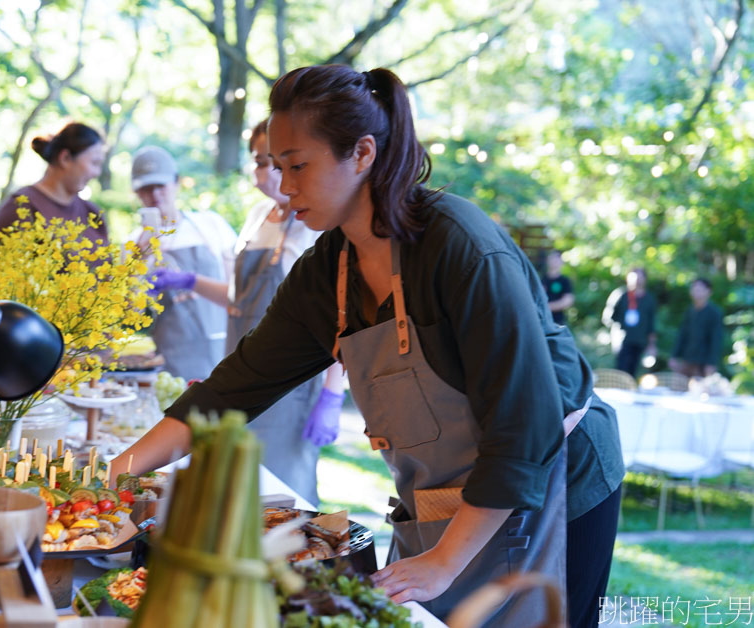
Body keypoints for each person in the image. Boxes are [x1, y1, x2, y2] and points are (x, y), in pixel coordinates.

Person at [109, 65, 624, 627]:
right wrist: (119, 473)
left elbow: (525, 427)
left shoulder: (461, 249)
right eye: (278, 167)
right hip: (447, 493)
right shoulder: (328, 270)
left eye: (298, 166)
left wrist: (445, 562)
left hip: (557, 474)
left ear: (362, 152)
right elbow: (237, 385)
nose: (285, 187)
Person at [151, 119, 344, 504]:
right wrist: (189, 282)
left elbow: (338, 315)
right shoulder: (258, 216)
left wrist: (333, 395)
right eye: (260, 161)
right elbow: (239, 300)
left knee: (283, 497)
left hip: (291, 386)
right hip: (242, 371)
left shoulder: (317, 226)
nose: (267, 174)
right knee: (235, 492)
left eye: (280, 163)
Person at [130, 145, 238, 382]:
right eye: (146, 188)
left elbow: (238, 296)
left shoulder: (211, 226)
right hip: (169, 362)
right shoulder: (133, 243)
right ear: (136, 193)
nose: (155, 194)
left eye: (161, 185)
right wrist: (138, 261)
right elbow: (131, 316)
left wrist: (189, 281)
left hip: (222, 350)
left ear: (177, 183)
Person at [0, 122, 107, 248]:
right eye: (94, 163)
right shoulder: (21, 208)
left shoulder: (92, 213)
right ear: (65, 158)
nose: (97, 173)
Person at [669, 278, 723, 378]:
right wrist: (674, 356)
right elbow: (682, 335)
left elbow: (716, 339)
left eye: (700, 289)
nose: (696, 291)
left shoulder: (714, 313)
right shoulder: (689, 311)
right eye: (694, 288)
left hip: (703, 363)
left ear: (708, 291)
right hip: (687, 359)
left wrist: (712, 363)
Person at [609, 268, 657, 376]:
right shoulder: (621, 295)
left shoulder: (649, 299)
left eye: (640, 277)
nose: (637, 280)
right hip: (622, 340)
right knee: (621, 369)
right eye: (634, 277)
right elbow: (609, 317)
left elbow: (651, 324)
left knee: (634, 371)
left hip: (639, 341)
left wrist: (652, 345)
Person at [541, 249, 574, 326]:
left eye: (557, 258)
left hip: (557, 321)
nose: (554, 261)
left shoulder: (564, 280)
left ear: (561, 262)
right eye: (552, 258)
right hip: (541, 320)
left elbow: (568, 300)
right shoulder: (541, 279)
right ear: (548, 260)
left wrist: (547, 307)